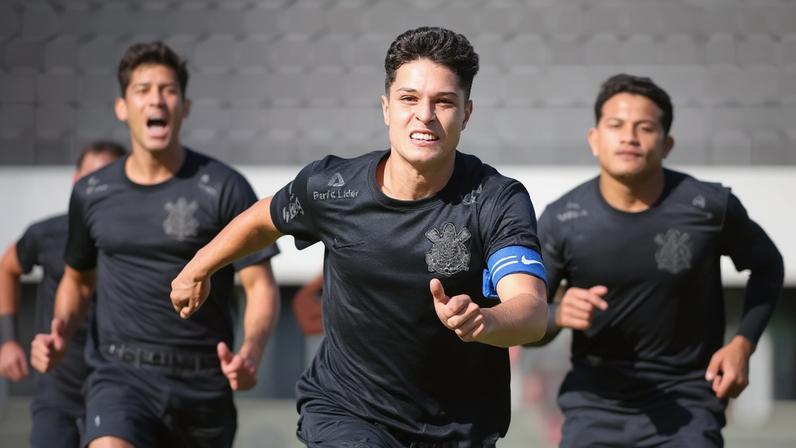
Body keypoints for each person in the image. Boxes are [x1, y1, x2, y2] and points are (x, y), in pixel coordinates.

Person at [171, 26, 548, 447]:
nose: (424, 114)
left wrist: (485, 320)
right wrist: (198, 266)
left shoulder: (495, 200)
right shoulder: (333, 188)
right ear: (386, 108)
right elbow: (264, 217)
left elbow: (531, 311)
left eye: (443, 101)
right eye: (409, 99)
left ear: (467, 112)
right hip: (347, 412)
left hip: (457, 428)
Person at [29, 41, 281, 448]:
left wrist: (250, 352)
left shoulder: (223, 187)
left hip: (202, 383)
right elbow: (77, 281)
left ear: (185, 106)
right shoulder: (93, 192)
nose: (156, 100)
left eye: (167, 90)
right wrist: (59, 331)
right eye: (143, 90)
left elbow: (259, 285)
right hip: (120, 376)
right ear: (122, 107)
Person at [531, 73, 784, 447]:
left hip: (688, 405)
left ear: (666, 144)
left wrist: (743, 344)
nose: (629, 137)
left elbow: (768, 266)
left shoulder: (710, 206)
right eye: (616, 125)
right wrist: (558, 314)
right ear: (594, 140)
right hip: (595, 408)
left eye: (645, 127)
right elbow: (526, 318)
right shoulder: (561, 219)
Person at [0, 141, 126, 447]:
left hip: (122, 392)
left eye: (108, 181)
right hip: (59, 390)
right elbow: (7, 268)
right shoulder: (47, 234)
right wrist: (8, 340)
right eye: (89, 180)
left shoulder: (137, 244)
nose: (98, 190)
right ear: (75, 182)